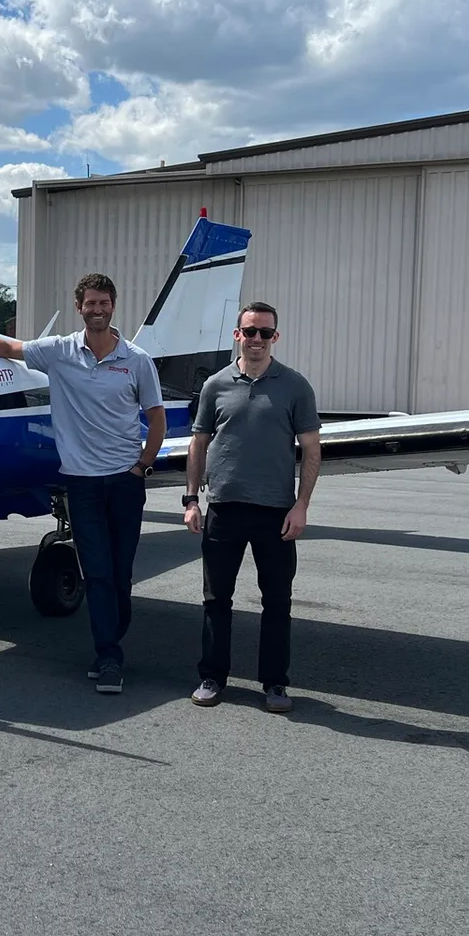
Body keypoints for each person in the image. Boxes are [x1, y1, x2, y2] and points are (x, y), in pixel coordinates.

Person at [0, 273, 165, 695]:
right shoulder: (59, 351)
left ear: (113, 306)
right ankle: (109, 655)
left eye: (104, 303)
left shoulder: (136, 360)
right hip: (81, 483)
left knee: (120, 576)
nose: (97, 310)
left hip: (124, 481)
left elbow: (156, 417)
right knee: (96, 573)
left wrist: (143, 466)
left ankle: (112, 639)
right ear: (79, 307)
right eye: (90, 303)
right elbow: (12, 347)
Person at [182, 301, 321, 714]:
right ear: (236, 335)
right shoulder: (215, 385)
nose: (256, 339)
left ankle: (275, 684)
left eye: (265, 332)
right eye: (249, 331)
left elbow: (312, 450)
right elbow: (199, 443)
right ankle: (212, 676)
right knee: (215, 599)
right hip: (224, 507)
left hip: (275, 512)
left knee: (277, 602)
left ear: (275, 337)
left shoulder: (295, 386)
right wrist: (192, 499)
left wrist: (301, 506)